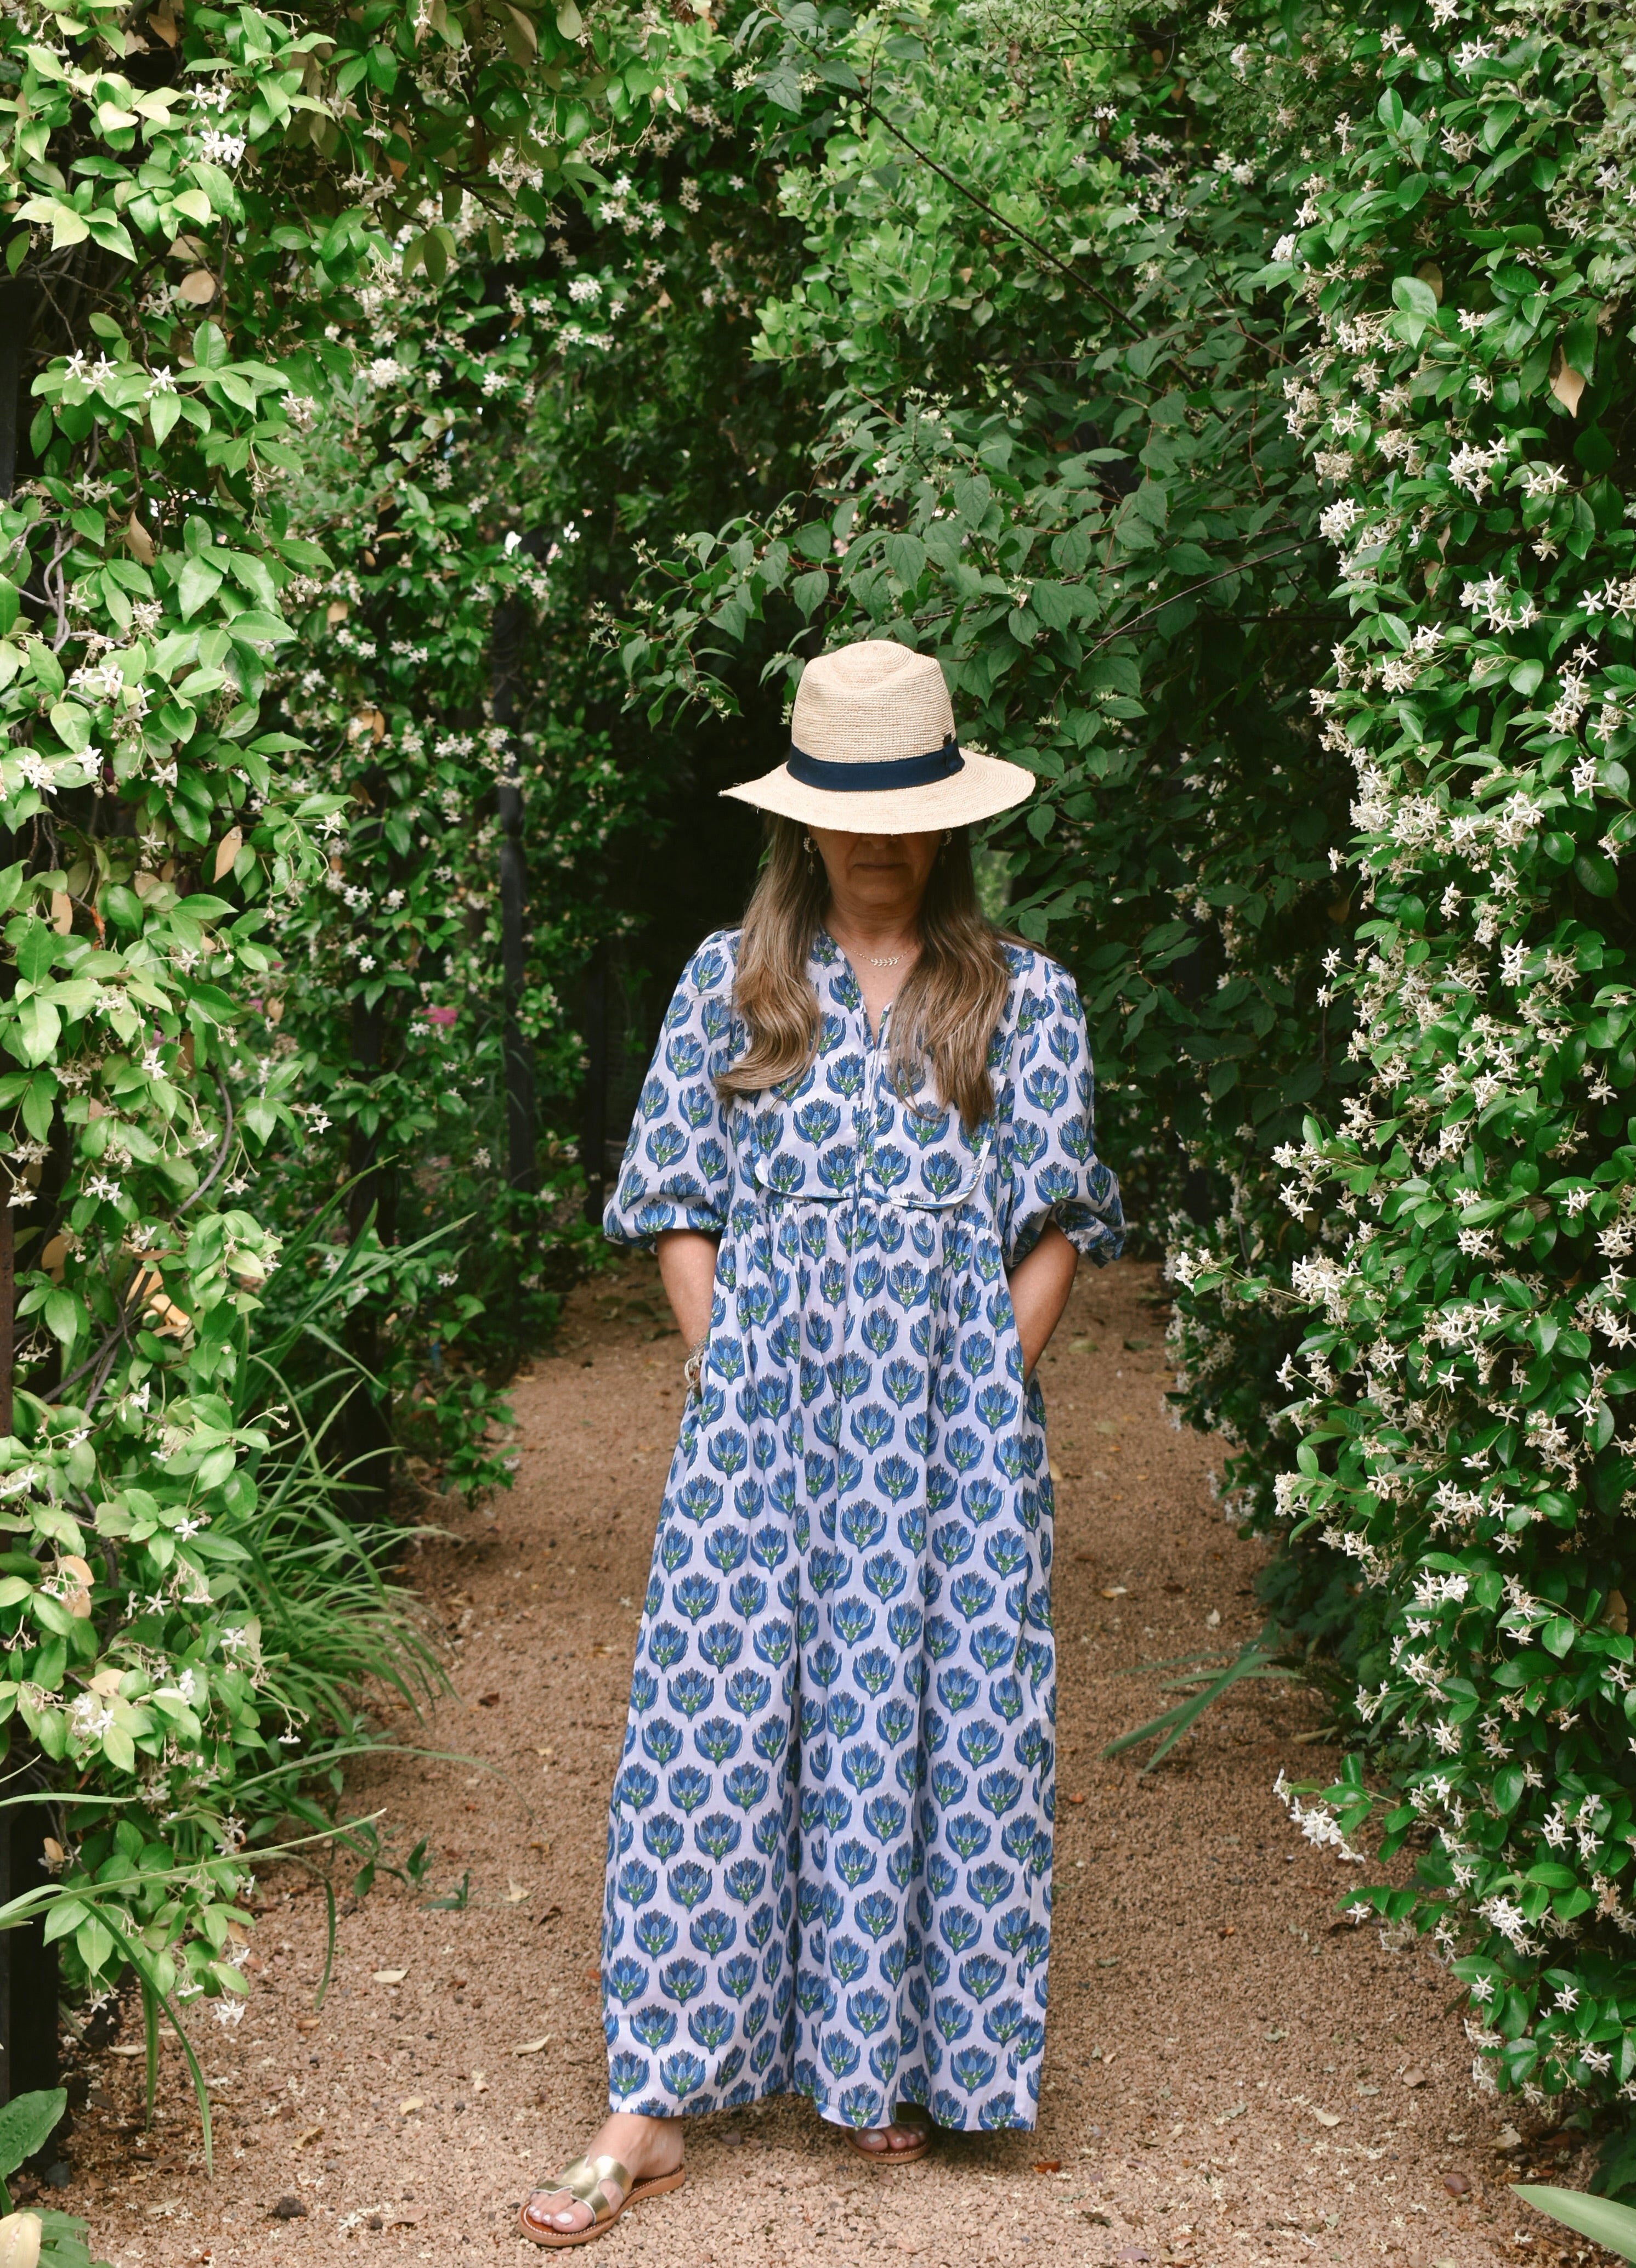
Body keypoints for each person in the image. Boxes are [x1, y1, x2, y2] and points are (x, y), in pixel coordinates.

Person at [520, 638, 1124, 2247]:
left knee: (935, 1715)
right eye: (843, 807)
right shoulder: (733, 985)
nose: (872, 837)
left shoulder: (1027, 1000)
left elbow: (1054, 1222)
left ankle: (887, 2055)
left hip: (953, 1425)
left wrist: (984, 1388)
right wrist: (741, 1385)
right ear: (801, 819)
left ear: (948, 816)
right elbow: (678, 1208)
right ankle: (650, 2099)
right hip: (760, 1419)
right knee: (713, 1726)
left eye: (901, 805)